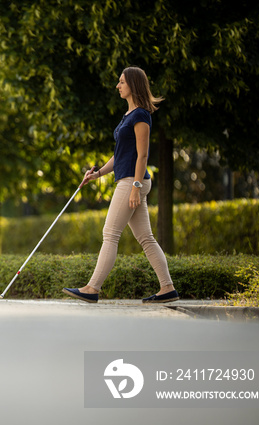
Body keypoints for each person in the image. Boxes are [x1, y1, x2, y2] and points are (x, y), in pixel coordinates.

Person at [63, 66, 179, 304]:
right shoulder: (128, 115)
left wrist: (135, 186)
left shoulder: (141, 116)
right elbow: (119, 155)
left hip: (131, 181)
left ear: (133, 85)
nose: (118, 86)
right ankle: (167, 288)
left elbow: (142, 155)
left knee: (110, 234)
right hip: (128, 179)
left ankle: (92, 288)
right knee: (146, 238)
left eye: (122, 82)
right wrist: (98, 174)